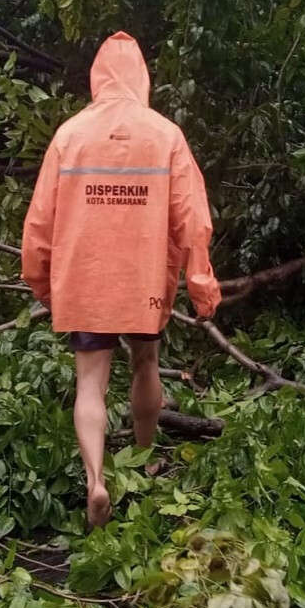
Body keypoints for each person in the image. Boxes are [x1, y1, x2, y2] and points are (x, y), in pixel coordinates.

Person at [21, 31, 220, 529]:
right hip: (144, 277)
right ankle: (145, 459)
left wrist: (41, 281)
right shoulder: (165, 134)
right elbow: (192, 218)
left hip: (85, 278)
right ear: (141, 77)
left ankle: (96, 480)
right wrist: (200, 282)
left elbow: (39, 220)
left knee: (90, 384)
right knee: (146, 363)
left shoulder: (70, 134)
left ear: (97, 76)